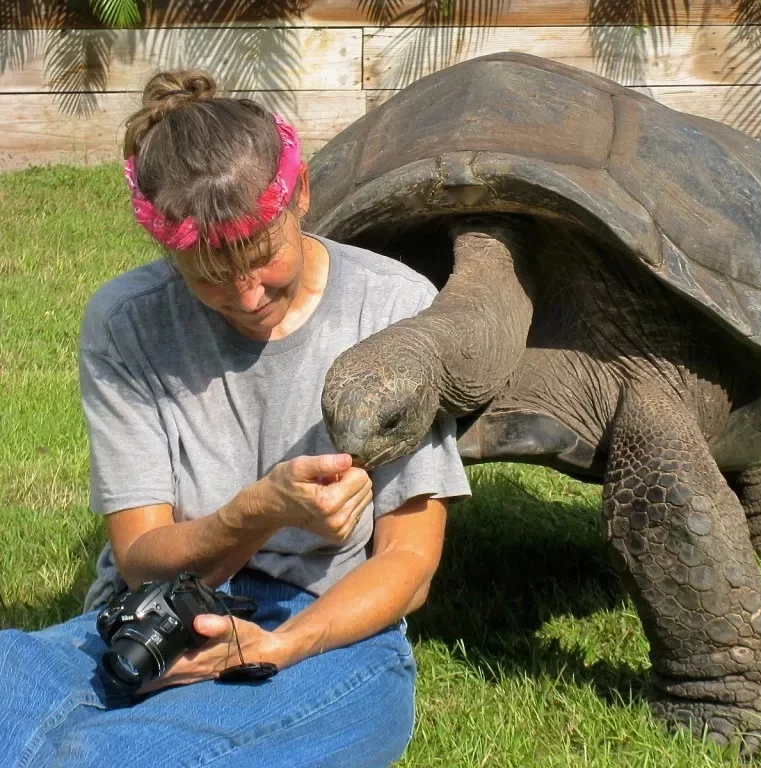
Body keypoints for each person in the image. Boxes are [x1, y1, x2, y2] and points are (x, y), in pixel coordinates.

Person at [0, 69, 471, 768]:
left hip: (325, 633)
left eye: (260, 260)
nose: (247, 296)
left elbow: (410, 561)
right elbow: (138, 557)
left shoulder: (392, 307)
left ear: (301, 193)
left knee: (108, 757)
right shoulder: (127, 322)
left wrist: (279, 646)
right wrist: (256, 511)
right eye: (208, 277)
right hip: (153, 615)